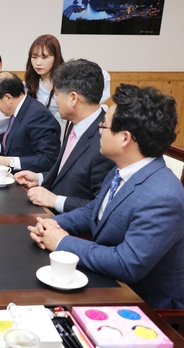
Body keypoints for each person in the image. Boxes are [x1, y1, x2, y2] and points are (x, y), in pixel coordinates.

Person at [28, 84, 184, 309]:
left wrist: (62, 241)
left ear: (124, 138)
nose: (99, 130)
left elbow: (126, 263)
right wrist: (51, 223)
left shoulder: (163, 197)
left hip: (144, 305)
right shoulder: (122, 168)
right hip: (107, 280)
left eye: (104, 125)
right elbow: (96, 211)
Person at [15, 59, 115, 214]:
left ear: (73, 98)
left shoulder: (105, 140)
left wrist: (55, 200)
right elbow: (70, 174)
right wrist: (40, 178)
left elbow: (102, 208)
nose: (56, 100)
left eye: (56, 95)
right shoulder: (76, 124)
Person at [0, 71, 60, 172]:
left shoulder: (38, 115)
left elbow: (48, 160)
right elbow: (21, 147)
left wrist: (9, 162)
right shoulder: (20, 110)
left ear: (8, 98)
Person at [24, 34, 112, 123]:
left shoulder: (70, 77)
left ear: (57, 56)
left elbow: (104, 76)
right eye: (34, 57)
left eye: (44, 57)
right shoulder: (29, 85)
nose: (38, 63)